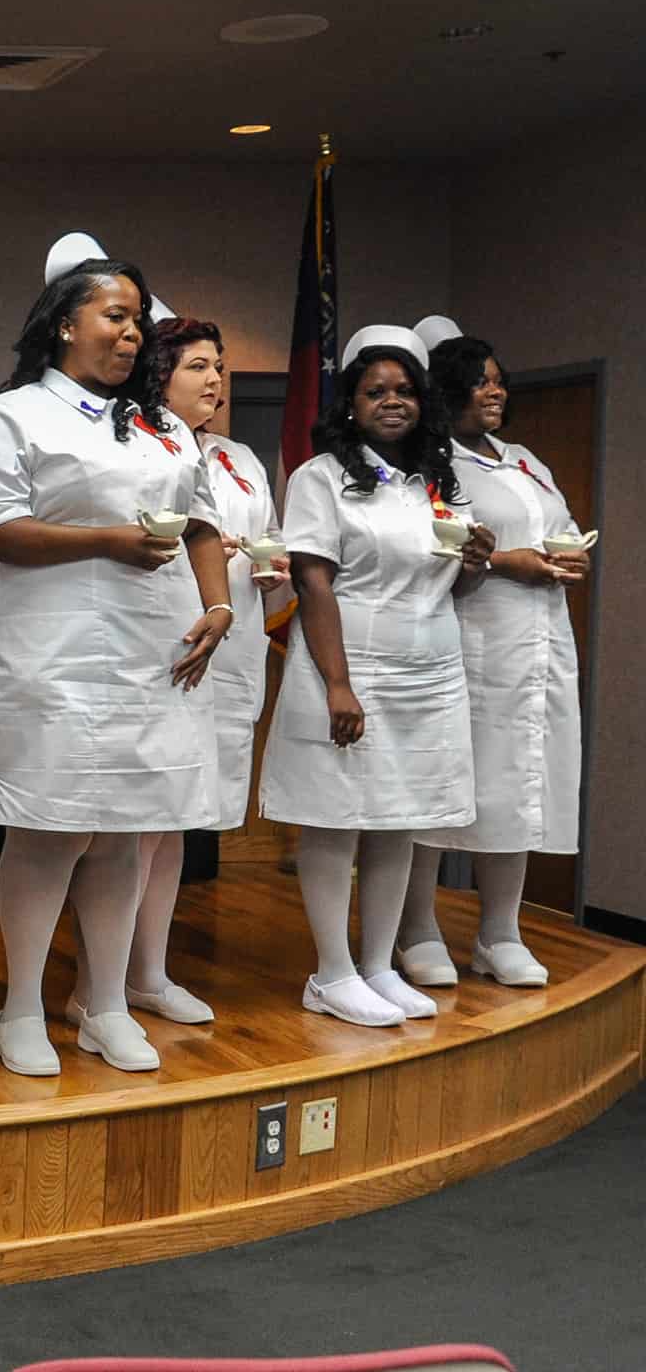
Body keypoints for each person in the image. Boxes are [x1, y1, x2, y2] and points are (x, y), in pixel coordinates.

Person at [0, 236, 235, 1077]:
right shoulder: (16, 414)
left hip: (154, 650)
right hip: (53, 652)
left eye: (135, 321)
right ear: (62, 326)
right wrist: (106, 541)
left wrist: (219, 604)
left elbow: (200, 525)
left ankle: (106, 1001)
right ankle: (19, 1008)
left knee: (125, 834)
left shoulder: (161, 427)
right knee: (51, 831)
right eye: (114, 317)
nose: (130, 334)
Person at [260, 326, 493, 1027]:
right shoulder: (321, 477)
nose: (392, 403)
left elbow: (449, 584)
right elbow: (315, 583)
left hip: (431, 669)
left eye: (405, 392)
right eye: (375, 392)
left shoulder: (439, 483)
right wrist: (337, 682)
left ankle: (377, 965)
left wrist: (476, 561)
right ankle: (330, 973)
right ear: (350, 403)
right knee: (336, 821)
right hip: (350, 666)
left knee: (401, 821)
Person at [89, 316, 287, 1028]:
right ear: (159, 372)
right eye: (199, 365)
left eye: (221, 367)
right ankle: (100, 981)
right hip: (156, 639)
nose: (216, 380)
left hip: (226, 648)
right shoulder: (128, 439)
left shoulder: (236, 457)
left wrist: (270, 563)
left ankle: (149, 971)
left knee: (177, 822)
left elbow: (263, 539)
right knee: (137, 822)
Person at [399, 325, 580, 989]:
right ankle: (415, 925)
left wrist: (567, 551)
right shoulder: (432, 460)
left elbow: (555, 526)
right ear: (446, 392)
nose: (496, 389)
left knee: (521, 784)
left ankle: (499, 933)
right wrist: (510, 561)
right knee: (443, 787)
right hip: (470, 636)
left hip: (541, 643)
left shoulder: (524, 459)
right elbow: (430, 542)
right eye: (480, 379)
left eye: (500, 378)